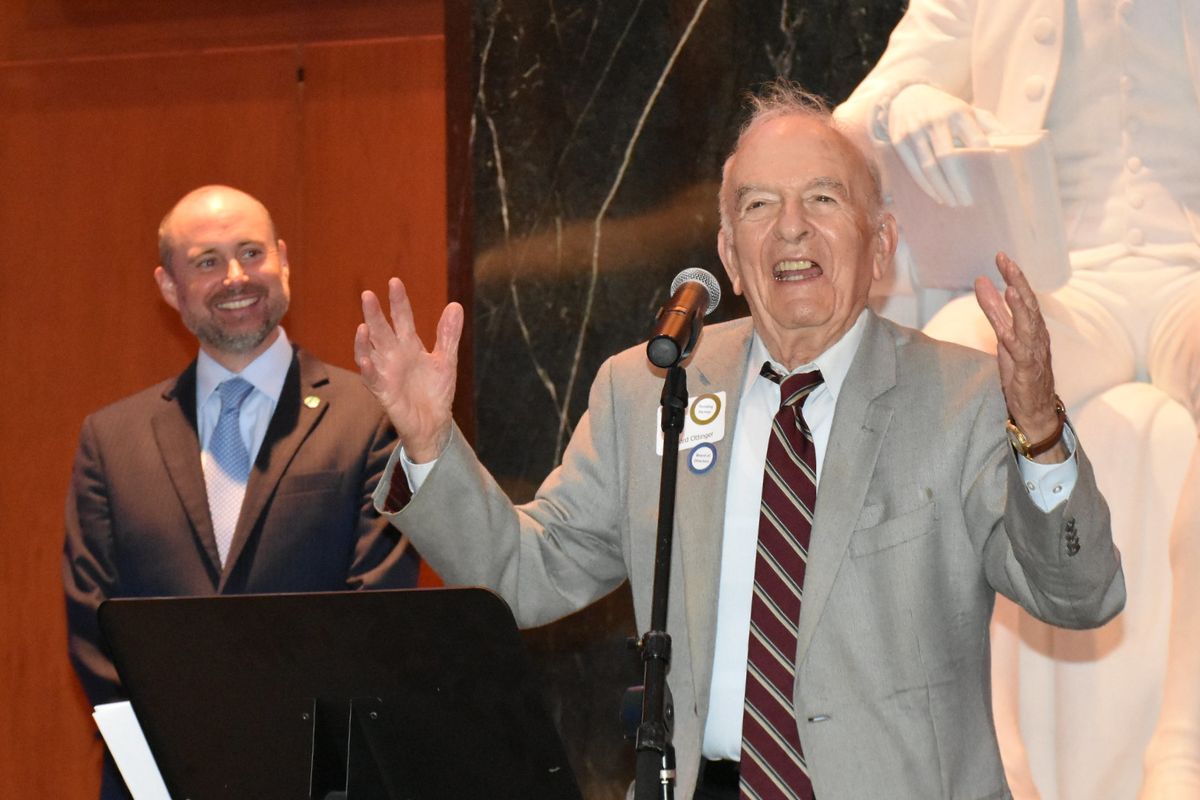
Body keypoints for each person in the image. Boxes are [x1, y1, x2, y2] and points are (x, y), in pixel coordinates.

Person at [355, 82, 1124, 799]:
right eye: (759, 204)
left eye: (823, 197)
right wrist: (429, 445)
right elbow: (527, 574)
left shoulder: (962, 397)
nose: (791, 226)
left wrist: (1041, 432)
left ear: (882, 243)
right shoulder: (649, 391)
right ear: (729, 255)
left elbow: (1079, 594)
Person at [834, 3, 1200, 797]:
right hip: (1060, 287)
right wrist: (903, 106)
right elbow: (853, 119)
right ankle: (991, 756)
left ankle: (1185, 755)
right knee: (952, 368)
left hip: (1192, 280)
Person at [63, 185, 419, 800]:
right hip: (160, 780)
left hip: (323, 778)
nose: (236, 277)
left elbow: (377, 609)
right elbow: (95, 629)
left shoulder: (374, 419)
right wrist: (191, 754)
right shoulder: (111, 441)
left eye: (252, 252)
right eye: (207, 261)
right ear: (169, 286)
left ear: (284, 261)